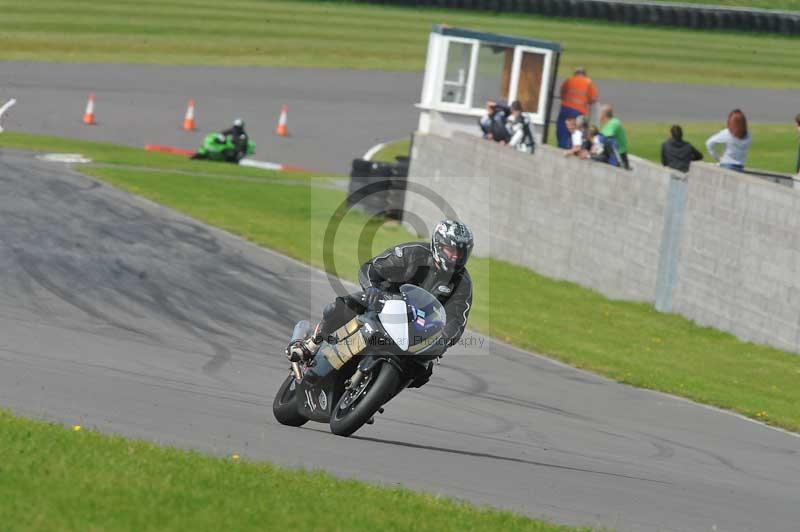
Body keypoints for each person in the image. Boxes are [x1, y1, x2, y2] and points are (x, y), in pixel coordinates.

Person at [287, 220, 474, 386]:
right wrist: (372, 289)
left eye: (461, 253)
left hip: (416, 326)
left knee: (422, 371)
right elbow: (371, 268)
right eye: (452, 251)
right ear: (438, 245)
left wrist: (444, 340)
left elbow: (457, 321)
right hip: (383, 302)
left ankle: (375, 393)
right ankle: (312, 343)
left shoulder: (462, 284)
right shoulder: (412, 253)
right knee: (344, 305)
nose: (455, 257)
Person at [557, 67, 598, 149]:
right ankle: (573, 148)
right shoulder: (588, 82)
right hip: (579, 111)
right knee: (576, 131)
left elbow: (562, 93)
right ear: (584, 74)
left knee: (562, 128)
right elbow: (593, 99)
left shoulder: (569, 80)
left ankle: (562, 146)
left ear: (575, 73)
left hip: (566, 108)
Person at [599, 105, 629, 169]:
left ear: (604, 114)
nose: (599, 115)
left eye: (600, 113)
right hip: (612, 155)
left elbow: (608, 138)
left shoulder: (614, 123)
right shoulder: (606, 125)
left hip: (619, 158)